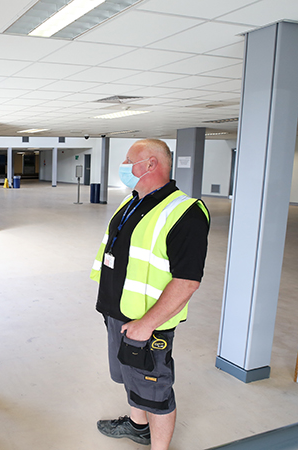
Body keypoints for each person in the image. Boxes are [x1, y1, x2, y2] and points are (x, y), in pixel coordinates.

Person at [90, 139, 210, 449]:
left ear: (151, 164)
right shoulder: (131, 201)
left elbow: (187, 281)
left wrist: (146, 324)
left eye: (129, 160)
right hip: (118, 313)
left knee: (155, 391)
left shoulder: (186, 212)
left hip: (148, 323)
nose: (124, 166)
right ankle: (137, 426)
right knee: (130, 377)